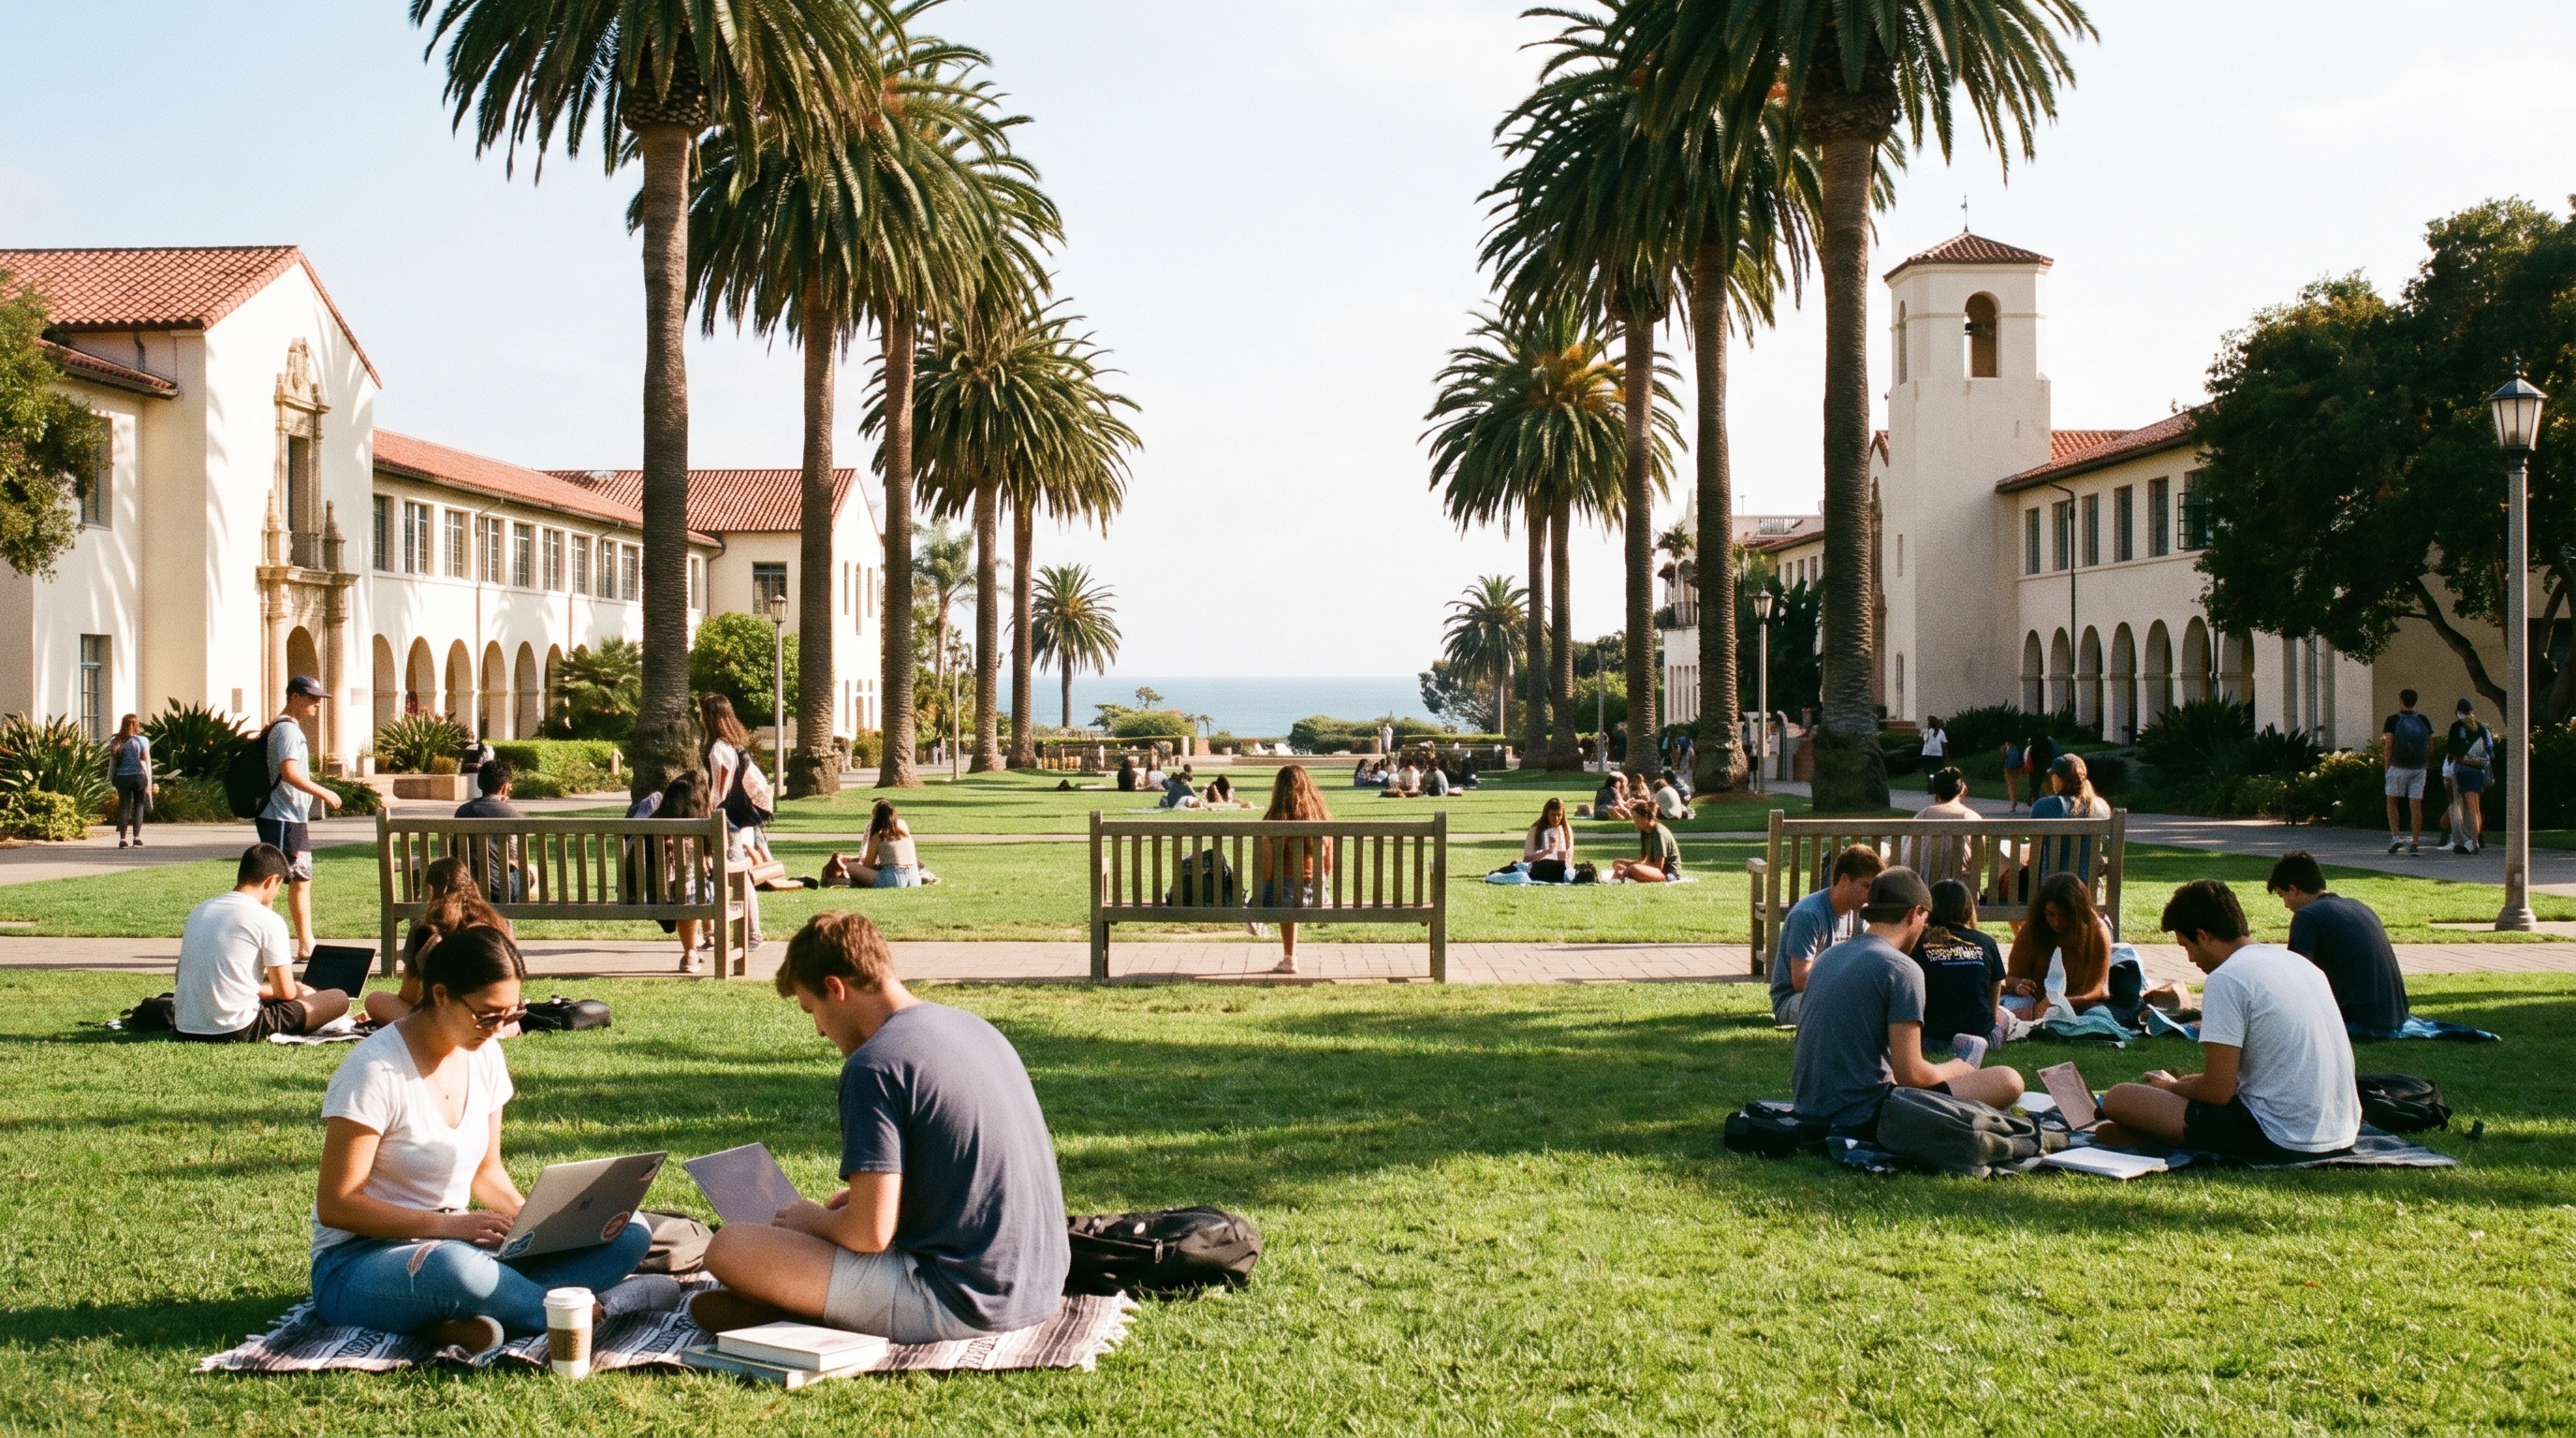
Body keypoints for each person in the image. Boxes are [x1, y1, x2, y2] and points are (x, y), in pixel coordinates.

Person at [694, 912, 1069, 1342]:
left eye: (811, 1010)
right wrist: (857, 1202)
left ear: (835, 988)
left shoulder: (874, 1065)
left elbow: (869, 1234)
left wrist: (813, 1220)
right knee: (828, 1219)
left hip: (960, 1299)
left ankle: (797, 1310)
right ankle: (791, 1305)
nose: (818, 1030)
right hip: (1039, 1285)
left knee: (729, 1247)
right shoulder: (974, 1027)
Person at [311, 926, 674, 1354]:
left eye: (510, 1015)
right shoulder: (373, 1071)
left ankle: (474, 1316)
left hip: (459, 1243)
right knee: (454, 1270)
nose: (499, 1029)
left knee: (628, 1232)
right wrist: (449, 1226)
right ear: (442, 994)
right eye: (487, 1015)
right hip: (361, 1261)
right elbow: (338, 1205)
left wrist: (535, 1224)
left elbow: (487, 1172)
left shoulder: (485, 1056)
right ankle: (587, 1311)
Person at [2096, 880, 2359, 1161]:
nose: (2189, 958)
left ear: (2204, 935)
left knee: (2118, 1098)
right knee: (2122, 1123)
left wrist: (2172, 1087)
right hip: (2341, 1132)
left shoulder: (2227, 978)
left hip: (2279, 1136)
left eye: (2187, 946)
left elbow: (2218, 1091)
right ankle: (2147, 1137)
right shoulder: (2301, 966)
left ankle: (2150, 1136)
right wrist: (2184, 1085)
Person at [1791, 867, 2026, 1135]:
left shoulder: (1827, 959)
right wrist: (1962, 1065)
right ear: (1915, 913)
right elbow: (1911, 1075)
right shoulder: (1902, 969)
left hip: (1808, 1109)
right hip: (1865, 1116)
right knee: (2008, 1080)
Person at [175, 844, 352, 1041]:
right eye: (279, 885)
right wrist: (300, 990)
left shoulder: (201, 910)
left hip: (185, 1024)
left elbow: (181, 977)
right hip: (238, 1027)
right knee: (338, 998)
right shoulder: (267, 919)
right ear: (271, 881)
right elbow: (285, 993)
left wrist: (258, 990)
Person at [2267, 850, 2408, 1035]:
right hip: (2394, 1013)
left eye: (2281, 895)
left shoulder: (2307, 915)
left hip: (2360, 1017)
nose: (2285, 905)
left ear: (2293, 889)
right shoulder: (2358, 906)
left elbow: (2298, 978)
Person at [372, 855, 511, 1025]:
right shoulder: (500, 923)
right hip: (502, 1015)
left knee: (375, 1000)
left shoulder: (426, 928)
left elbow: (408, 994)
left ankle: (429, 1024)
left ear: (432, 889)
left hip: (455, 1019)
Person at [260, 676, 342, 960]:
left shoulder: (285, 728)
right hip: (282, 816)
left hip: (289, 816)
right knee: (274, 880)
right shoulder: (286, 731)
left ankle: (305, 943)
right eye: (311, 698)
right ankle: (269, 943)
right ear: (295, 697)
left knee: (299, 878)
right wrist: (324, 792)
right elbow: (289, 773)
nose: (316, 704)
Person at [1768, 845, 1882, 1026]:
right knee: (1845, 1007)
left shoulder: (1860, 914)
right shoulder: (1808, 915)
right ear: (1844, 879)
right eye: (1866, 886)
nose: (1870, 894)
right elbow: (1801, 980)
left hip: (1838, 994)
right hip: (1796, 999)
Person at [700, 693, 773, 942]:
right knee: (736, 876)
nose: (699, 717)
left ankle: (752, 934)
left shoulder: (719, 749)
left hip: (725, 820)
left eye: (701, 712)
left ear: (710, 716)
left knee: (739, 878)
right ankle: (743, 932)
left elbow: (720, 789)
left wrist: (709, 811)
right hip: (734, 819)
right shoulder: (733, 747)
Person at [1913, 879, 2008, 1054]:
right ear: (1968, 909)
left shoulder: (1917, 942)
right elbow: (1994, 991)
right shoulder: (1986, 942)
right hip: (1982, 1039)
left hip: (1930, 1039)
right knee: (2005, 1016)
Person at [2003, 871, 2112, 1020]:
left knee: (2100, 1017)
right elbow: (2012, 977)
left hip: (2078, 1004)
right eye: (2051, 914)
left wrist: (2060, 1003)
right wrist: (2018, 985)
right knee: (2009, 1009)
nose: (2057, 922)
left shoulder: (2097, 931)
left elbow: (2094, 989)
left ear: (2078, 913)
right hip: (2035, 1002)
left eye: (2064, 916)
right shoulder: (2032, 928)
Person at [1257, 765, 1333, 975]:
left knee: (1279, 889)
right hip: (1317, 894)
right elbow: (1327, 866)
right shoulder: (1321, 818)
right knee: (1289, 890)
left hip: (1286, 894)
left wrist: (1263, 888)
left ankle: (1289, 956)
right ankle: (1289, 956)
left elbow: (1267, 871)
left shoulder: (1273, 821)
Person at [2027, 753, 2111, 883]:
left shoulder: (2044, 806)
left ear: (2059, 779)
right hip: (2091, 892)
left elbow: (2035, 848)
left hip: (2052, 891)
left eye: (2053, 776)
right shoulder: (2102, 806)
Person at [827, 800, 925, 889]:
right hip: (914, 879)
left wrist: (851, 861)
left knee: (851, 867)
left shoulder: (879, 836)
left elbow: (868, 864)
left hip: (893, 879)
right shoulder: (903, 827)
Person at [2381, 688, 2434, 855]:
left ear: (2401, 700)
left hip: (2398, 765)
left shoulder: (2393, 720)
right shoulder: (2423, 720)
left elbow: (2389, 744)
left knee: (2392, 801)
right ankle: (2415, 841)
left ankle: (2396, 836)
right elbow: (2431, 744)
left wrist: (2387, 767)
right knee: (2416, 804)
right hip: (2419, 767)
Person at [1910, 767, 1981, 885]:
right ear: (1962, 790)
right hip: (1962, 891)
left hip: (1926, 890)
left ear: (1937, 794)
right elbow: (1978, 863)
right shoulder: (1973, 817)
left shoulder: (1923, 814)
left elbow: (1910, 856)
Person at [2443, 697, 2494, 855]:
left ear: (2458, 712)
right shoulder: (2482, 728)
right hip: (2479, 772)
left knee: (2467, 808)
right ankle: (2475, 839)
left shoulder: (2457, 727)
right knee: (2476, 808)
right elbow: (2490, 752)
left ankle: (2473, 842)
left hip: (2463, 771)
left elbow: (2452, 752)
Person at [109, 712, 153, 847]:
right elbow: (146, 761)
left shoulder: (115, 741)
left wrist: (110, 778)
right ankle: (136, 838)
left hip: (122, 778)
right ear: (137, 725)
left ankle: (122, 839)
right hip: (138, 777)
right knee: (138, 806)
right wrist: (149, 783)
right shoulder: (142, 740)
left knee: (124, 806)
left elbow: (112, 763)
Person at [1610, 809, 1681, 884]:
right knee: (1617, 863)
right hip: (1654, 869)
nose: (1635, 821)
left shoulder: (1658, 833)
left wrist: (1629, 869)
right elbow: (1643, 859)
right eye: (1634, 818)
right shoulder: (1644, 831)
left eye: (1637, 818)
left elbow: (1659, 866)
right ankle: (1626, 875)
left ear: (1646, 818)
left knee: (1633, 869)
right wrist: (1628, 867)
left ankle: (1627, 875)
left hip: (1667, 873)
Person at [1521, 799, 1574, 883]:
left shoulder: (1566, 829)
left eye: (1559, 815)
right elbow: (1526, 859)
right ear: (1547, 814)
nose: (1556, 818)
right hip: (1539, 869)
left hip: (1560, 869)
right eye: (1553, 815)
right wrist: (1546, 852)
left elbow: (1568, 857)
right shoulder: (1535, 829)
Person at [1999, 739, 2024, 813]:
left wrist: (2005, 746)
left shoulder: (2007, 749)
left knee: (2011, 786)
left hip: (2008, 770)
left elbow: (2002, 752)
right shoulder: (2016, 749)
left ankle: (2013, 802)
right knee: (2013, 785)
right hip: (2016, 769)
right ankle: (2014, 801)